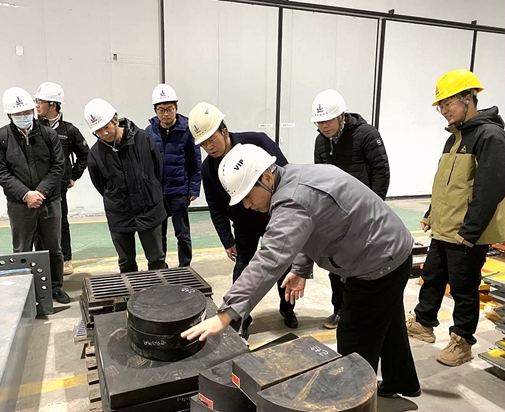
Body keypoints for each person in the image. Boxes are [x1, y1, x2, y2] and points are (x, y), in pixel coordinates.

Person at [182, 143, 420, 398]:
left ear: (267, 177)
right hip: (392, 250)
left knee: (354, 346)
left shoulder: (292, 200)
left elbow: (270, 258)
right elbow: (315, 226)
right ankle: (402, 382)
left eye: (249, 196)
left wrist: (227, 313)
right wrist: (300, 269)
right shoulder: (296, 176)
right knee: (388, 324)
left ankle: (352, 401)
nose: (247, 205)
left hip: (377, 264)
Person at [406, 69, 505, 367]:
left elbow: (490, 188)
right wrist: (431, 213)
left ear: (468, 98)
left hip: (466, 232)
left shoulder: (490, 136)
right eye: (440, 106)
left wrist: (470, 232)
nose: (443, 110)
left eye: (447, 103)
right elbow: (445, 183)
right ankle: (423, 323)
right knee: (432, 277)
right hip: (444, 226)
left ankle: (462, 343)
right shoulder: (455, 137)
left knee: (463, 288)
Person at [188, 102, 297, 337]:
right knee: (243, 269)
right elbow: (216, 208)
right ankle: (241, 318)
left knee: (283, 265)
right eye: (203, 144)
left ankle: (288, 309)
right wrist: (227, 240)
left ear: (224, 130)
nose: (209, 147)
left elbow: (285, 176)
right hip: (244, 225)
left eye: (212, 139)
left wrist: (288, 217)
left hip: (274, 218)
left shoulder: (258, 142)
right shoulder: (209, 169)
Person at [312, 89, 390, 329]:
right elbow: (321, 177)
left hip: (364, 213)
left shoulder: (366, 135)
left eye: (328, 120)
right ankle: (339, 310)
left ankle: (359, 312)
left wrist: (375, 208)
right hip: (336, 215)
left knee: (362, 266)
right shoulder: (320, 141)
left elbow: (381, 171)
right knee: (336, 264)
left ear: (341, 116)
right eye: (319, 122)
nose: (324, 126)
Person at [0, 87, 70, 304]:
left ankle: (55, 287)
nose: (24, 116)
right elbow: (0, 172)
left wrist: (40, 192)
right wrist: (25, 194)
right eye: (18, 114)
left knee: (53, 248)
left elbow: (58, 166)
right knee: (22, 249)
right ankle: (24, 291)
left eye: (27, 112)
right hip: (19, 204)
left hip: (49, 201)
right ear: (9, 115)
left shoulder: (49, 135)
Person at [85, 98, 167, 272]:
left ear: (115, 119)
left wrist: (148, 189)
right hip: (119, 214)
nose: (104, 133)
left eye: (106, 127)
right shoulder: (95, 154)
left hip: (149, 209)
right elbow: (101, 186)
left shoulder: (143, 138)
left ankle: (160, 289)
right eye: (98, 131)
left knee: (157, 260)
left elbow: (157, 170)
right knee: (126, 263)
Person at [34, 82, 90, 275]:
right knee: (36, 224)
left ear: (53, 104)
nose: (37, 105)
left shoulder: (68, 130)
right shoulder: (33, 128)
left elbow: (85, 154)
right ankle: (40, 259)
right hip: (36, 186)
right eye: (36, 101)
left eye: (40, 102)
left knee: (61, 223)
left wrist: (73, 175)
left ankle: (66, 259)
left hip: (58, 187)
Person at [145, 84, 201, 267]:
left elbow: (195, 161)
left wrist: (193, 188)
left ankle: (185, 266)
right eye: (161, 110)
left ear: (176, 108)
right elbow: (146, 164)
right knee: (158, 234)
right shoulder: (149, 132)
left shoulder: (187, 130)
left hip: (179, 191)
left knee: (182, 232)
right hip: (157, 193)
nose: (166, 114)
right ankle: (161, 267)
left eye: (170, 109)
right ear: (155, 111)